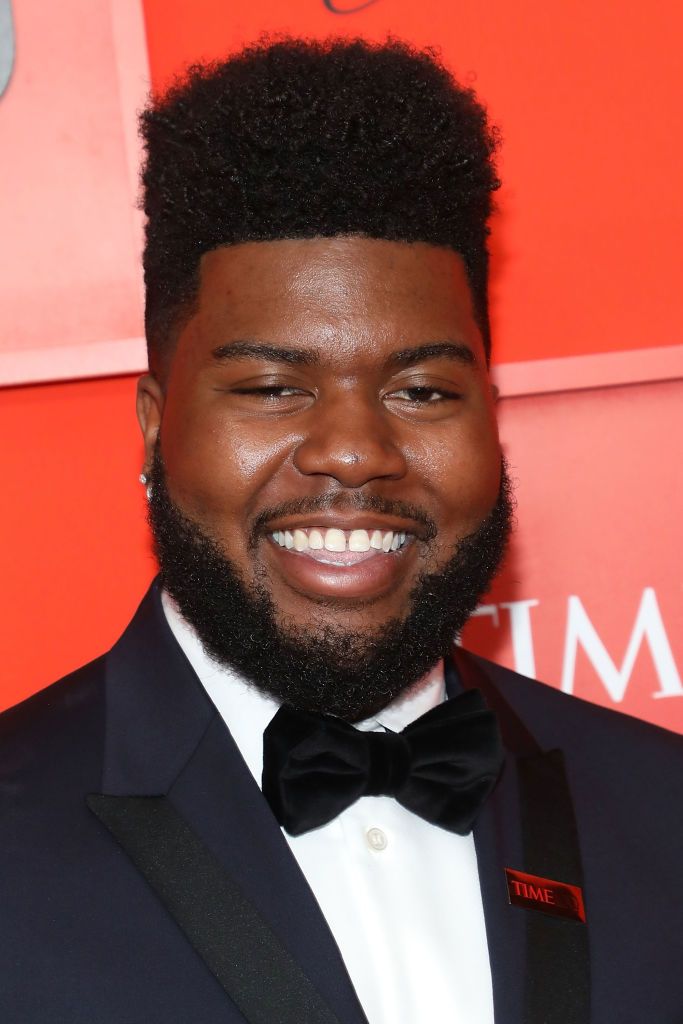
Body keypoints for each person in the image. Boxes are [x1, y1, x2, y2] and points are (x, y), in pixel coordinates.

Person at [0, 37, 681, 1024]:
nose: (355, 452)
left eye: (420, 389)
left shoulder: (660, 812)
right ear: (156, 426)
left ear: (488, 419)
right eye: (274, 388)